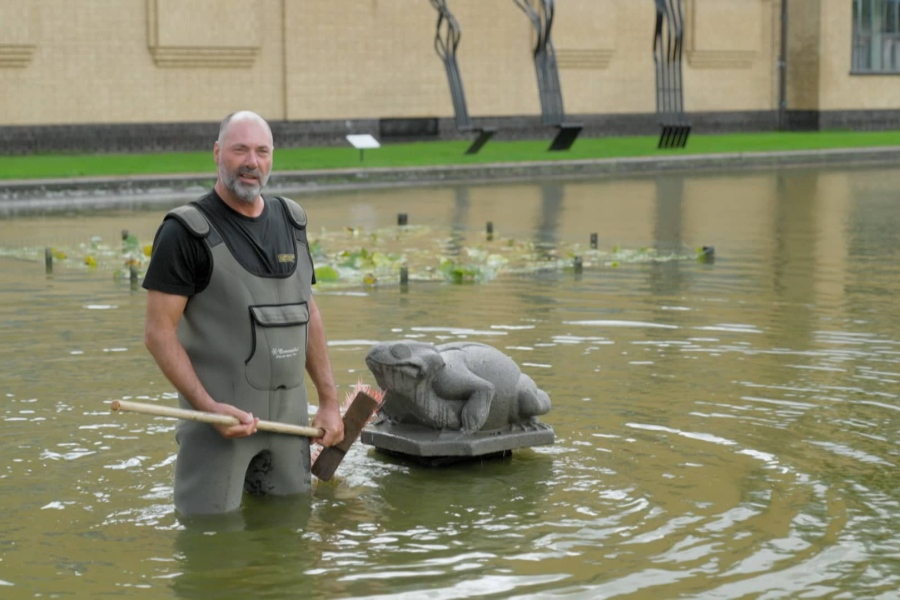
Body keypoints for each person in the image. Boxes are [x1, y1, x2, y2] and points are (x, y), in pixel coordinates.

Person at [142, 110, 344, 516]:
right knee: (210, 539)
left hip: (291, 426)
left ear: (272, 158)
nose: (252, 161)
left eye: (262, 151)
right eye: (240, 150)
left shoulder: (292, 221)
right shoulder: (184, 231)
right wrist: (206, 406)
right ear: (218, 153)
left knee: (291, 535)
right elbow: (158, 333)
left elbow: (308, 312)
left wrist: (328, 400)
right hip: (220, 426)